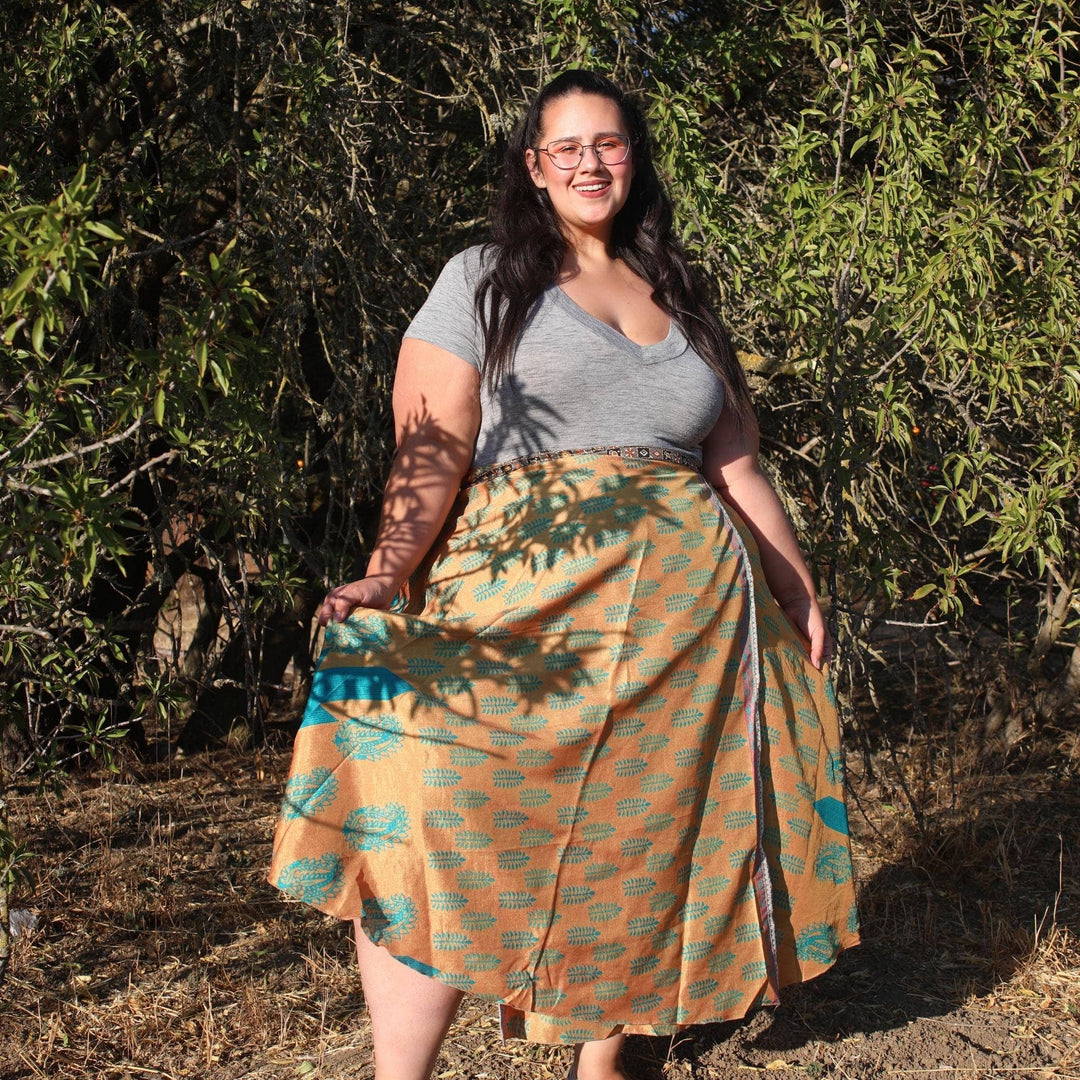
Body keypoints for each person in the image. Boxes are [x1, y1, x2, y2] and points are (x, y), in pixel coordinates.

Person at [269, 69, 858, 1080]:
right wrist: (389, 569)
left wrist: (797, 584)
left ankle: (610, 1067)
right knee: (432, 804)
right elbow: (432, 439)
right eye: (567, 147)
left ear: (635, 158)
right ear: (535, 169)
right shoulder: (484, 278)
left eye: (611, 142)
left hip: (685, 629)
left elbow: (736, 462)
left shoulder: (683, 292)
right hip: (518, 598)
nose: (591, 162)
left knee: (651, 835)